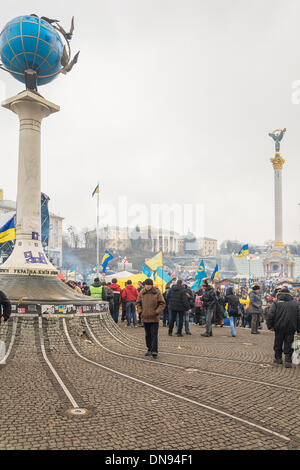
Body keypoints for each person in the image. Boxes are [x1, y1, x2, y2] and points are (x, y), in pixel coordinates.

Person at [267, 287, 300, 368]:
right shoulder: (295, 303)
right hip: (291, 327)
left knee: (278, 342)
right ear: (290, 294)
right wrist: (299, 329)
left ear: (280, 294)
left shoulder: (276, 303)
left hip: (279, 326)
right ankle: (288, 361)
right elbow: (299, 317)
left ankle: (278, 359)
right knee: (289, 343)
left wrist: (270, 326)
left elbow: (271, 315)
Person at [136, 279, 166, 358]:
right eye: (146, 285)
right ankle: (149, 348)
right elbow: (138, 303)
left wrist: (157, 311)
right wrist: (140, 311)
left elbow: (162, 303)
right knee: (147, 334)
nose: (148, 286)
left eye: (149, 285)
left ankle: (154, 350)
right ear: (144, 285)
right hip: (145, 317)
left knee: (154, 334)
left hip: (154, 317)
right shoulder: (142, 292)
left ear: (152, 285)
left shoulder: (157, 292)